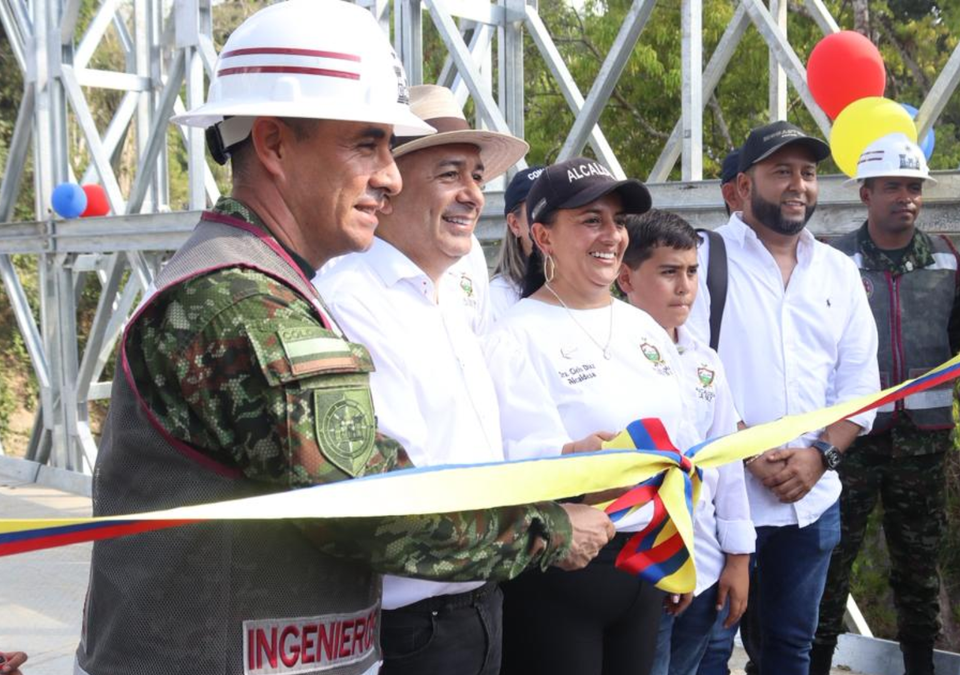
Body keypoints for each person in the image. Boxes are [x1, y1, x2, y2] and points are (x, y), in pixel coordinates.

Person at [75, 4, 612, 674]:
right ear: (272, 143)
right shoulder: (243, 304)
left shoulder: (271, 286)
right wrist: (550, 528)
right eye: (366, 143)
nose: (389, 175)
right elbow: (375, 506)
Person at [314, 85, 605, 675]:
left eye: (476, 175)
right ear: (389, 185)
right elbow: (399, 495)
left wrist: (560, 458)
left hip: (475, 605)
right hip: (411, 627)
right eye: (450, 173)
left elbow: (470, 442)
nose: (474, 194)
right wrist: (548, 528)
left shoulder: (448, 287)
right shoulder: (354, 302)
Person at [685, 120, 880, 675]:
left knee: (791, 651)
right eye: (781, 172)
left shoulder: (839, 273)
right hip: (723, 503)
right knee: (709, 651)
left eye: (809, 173)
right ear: (743, 187)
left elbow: (861, 390)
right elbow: (689, 374)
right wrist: (751, 453)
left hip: (811, 505)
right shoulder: (703, 260)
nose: (798, 184)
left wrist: (821, 456)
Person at [485, 158, 684, 675]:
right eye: (591, 219)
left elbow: (681, 444)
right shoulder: (515, 335)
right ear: (543, 236)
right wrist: (574, 455)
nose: (612, 235)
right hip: (561, 569)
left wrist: (685, 546)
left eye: (617, 221)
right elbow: (505, 460)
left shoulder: (645, 329)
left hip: (643, 562)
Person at [816, 134, 960, 675]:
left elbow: (959, 335)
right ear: (866, 193)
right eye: (891, 187)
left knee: (919, 570)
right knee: (831, 566)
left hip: (922, 445)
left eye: (912, 187)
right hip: (848, 444)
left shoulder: (947, 259)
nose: (904, 197)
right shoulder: (832, 260)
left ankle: (920, 668)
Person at [616, 209, 755, 675]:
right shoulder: (610, 357)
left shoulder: (705, 361)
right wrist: (670, 557)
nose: (685, 287)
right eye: (669, 272)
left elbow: (727, 465)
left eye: (692, 271)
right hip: (647, 565)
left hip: (709, 560)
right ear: (626, 277)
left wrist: (739, 557)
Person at [490, 165, 545, 321]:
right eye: (540, 208)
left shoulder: (583, 285)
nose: (552, 218)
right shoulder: (499, 296)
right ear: (514, 224)